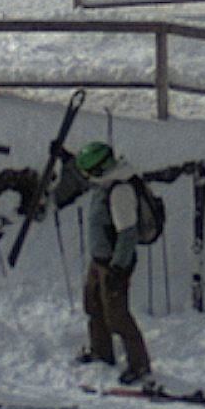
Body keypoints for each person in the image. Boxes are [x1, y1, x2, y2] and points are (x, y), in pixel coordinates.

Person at [75, 141, 153, 385]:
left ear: (98, 169)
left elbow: (127, 233)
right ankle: (102, 351)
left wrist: (118, 268)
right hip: (99, 260)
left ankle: (139, 364)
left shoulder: (119, 190)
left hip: (114, 264)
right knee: (94, 306)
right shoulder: (105, 183)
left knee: (117, 315)